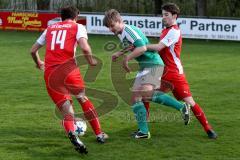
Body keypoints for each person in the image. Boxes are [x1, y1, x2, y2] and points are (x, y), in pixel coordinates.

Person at [30, 6, 108, 154]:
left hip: (51, 73)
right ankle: (99, 134)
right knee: (82, 99)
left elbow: (33, 50)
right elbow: (85, 48)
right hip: (69, 70)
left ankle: (73, 134)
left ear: (61, 17)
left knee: (66, 109)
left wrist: (38, 62)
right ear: (76, 16)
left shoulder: (50, 28)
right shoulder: (78, 26)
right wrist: (90, 61)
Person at [103, 9, 191, 139]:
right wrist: (120, 53)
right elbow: (134, 46)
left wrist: (127, 59)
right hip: (146, 65)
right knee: (136, 97)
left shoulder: (128, 30)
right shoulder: (122, 33)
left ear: (119, 21)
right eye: (108, 27)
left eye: (112, 26)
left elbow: (142, 48)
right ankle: (144, 131)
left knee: (143, 94)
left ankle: (181, 107)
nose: (110, 29)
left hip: (153, 63)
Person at [146, 2, 217, 139]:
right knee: (146, 94)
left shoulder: (174, 31)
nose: (163, 17)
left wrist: (142, 47)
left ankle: (208, 128)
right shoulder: (165, 30)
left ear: (174, 16)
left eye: (166, 15)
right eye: (163, 15)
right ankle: (143, 128)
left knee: (189, 102)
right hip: (162, 71)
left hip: (173, 73)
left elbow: (159, 47)